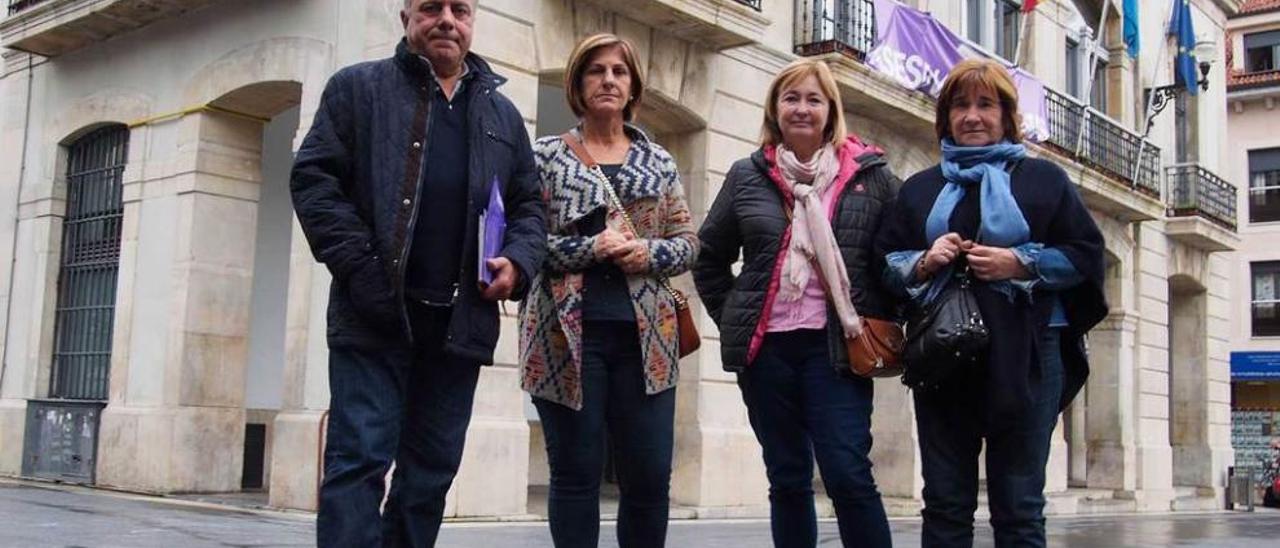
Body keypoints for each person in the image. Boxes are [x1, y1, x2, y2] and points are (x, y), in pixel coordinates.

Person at [289, 0, 546, 545]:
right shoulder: (357, 89)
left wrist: (518, 263)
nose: (447, 20)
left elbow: (529, 207)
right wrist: (362, 268)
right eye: (432, 7)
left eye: (461, 9)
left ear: (473, 22)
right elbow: (314, 181)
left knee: (429, 477)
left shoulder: (502, 115)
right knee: (358, 463)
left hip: (460, 325)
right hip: (374, 315)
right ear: (405, 16)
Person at [874, 58, 1107, 547]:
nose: (972, 116)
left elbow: (1084, 254)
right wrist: (923, 262)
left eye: (985, 104)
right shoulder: (920, 187)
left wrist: (1020, 263)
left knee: (1020, 506)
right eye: (960, 106)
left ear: (1006, 115)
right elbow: (884, 262)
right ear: (945, 118)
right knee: (944, 503)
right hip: (943, 358)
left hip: (1028, 353)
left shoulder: (1044, 180)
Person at [693, 58, 897, 548]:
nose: (802, 109)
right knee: (787, 477)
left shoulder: (871, 177)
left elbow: (896, 259)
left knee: (848, 473)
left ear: (831, 111)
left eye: (813, 99)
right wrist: (736, 318)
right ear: (775, 109)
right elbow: (709, 259)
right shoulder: (747, 175)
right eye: (791, 98)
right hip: (769, 353)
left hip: (838, 352)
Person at [518, 33, 698, 548]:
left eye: (619, 71)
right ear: (577, 83)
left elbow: (688, 244)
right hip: (564, 339)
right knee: (575, 476)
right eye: (596, 70)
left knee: (648, 479)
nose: (609, 80)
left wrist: (647, 253)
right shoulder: (547, 156)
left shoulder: (658, 161)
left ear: (633, 85)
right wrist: (590, 248)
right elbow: (528, 242)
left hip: (649, 343)